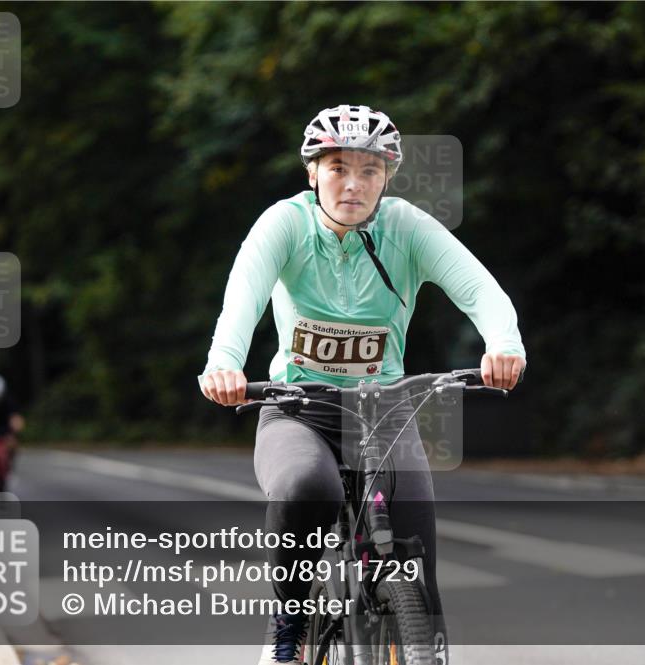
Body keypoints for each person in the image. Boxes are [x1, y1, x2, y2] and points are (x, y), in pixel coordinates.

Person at [199, 104, 526, 665]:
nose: (353, 184)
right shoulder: (285, 224)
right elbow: (242, 301)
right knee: (308, 487)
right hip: (298, 409)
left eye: (369, 170)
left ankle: (425, 650)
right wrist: (224, 362)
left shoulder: (406, 226)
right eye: (337, 168)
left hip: (385, 411)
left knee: (415, 566)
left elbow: (480, 290)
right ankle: (289, 631)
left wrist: (504, 344)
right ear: (312, 173)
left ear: (387, 176)